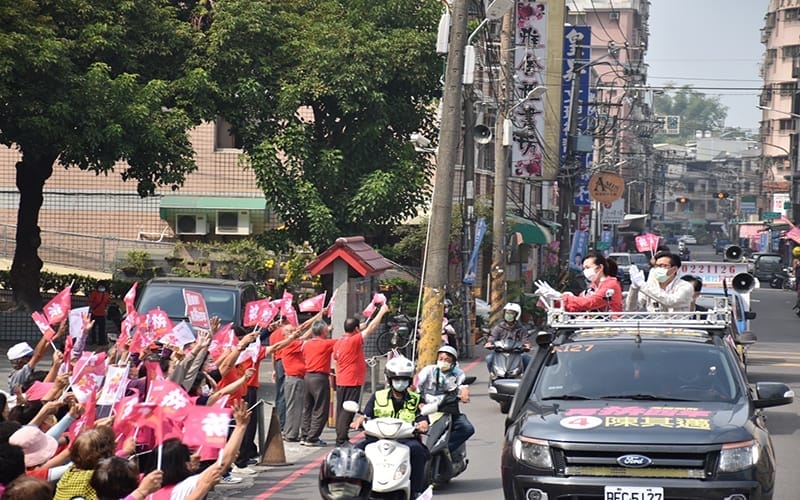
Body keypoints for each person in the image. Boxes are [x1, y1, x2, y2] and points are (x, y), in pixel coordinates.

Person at [351, 356, 429, 499]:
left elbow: (422, 416)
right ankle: (357, 489)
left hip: (405, 439)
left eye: (404, 379)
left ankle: (416, 491)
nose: (400, 382)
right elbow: (366, 414)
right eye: (396, 379)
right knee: (356, 452)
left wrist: (423, 423)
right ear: (389, 379)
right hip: (377, 438)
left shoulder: (416, 399)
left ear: (409, 380)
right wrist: (359, 421)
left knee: (418, 451)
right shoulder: (378, 396)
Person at [333, 303, 389, 446]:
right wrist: (381, 313)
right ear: (356, 329)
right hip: (352, 380)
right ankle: (342, 439)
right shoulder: (354, 341)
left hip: (342, 380)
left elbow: (363, 329)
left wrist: (361, 327)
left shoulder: (340, 341)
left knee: (341, 410)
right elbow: (371, 328)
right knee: (348, 410)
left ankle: (341, 436)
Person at [415, 345, 474, 454]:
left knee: (467, 428)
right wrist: (417, 398)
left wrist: (465, 395)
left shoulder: (457, 373)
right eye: (441, 359)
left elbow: (463, 386)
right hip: (426, 408)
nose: (443, 362)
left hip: (447, 408)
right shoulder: (429, 370)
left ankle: (446, 449)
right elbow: (417, 384)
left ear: (453, 362)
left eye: (447, 360)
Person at [535, 253, 622, 313]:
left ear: (599, 268)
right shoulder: (593, 287)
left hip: (609, 329)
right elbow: (577, 306)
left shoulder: (610, 285)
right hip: (592, 327)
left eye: (588, 267)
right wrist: (555, 302)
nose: (585, 271)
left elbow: (589, 303)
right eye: (584, 268)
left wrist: (561, 297)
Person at [300, 320, 338, 447]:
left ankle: (305, 434)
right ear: (323, 331)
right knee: (321, 408)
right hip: (320, 378)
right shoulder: (326, 344)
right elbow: (344, 340)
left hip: (307, 376)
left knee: (307, 407)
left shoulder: (306, 344)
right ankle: (313, 437)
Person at [626, 251, 694, 312]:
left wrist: (643, 285)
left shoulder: (686, 286)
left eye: (663, 266)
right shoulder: (650, 286)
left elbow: (670, 302)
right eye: (657, 266)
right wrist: (634, 288)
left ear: (674, 269)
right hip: (655, 325)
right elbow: (631, 308)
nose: (659, 269)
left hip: (678, 325)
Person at [484, 303, 531, 371]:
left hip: (516, 354)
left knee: (527, 359)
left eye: (511, 313)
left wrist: (527, 345)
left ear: (516, 315)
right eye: (507, 313)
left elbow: (525, 340)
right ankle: (492, 374)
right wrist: (489, 343)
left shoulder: (521, 329)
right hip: (500, 354)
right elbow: (492, 338)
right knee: (489, 359)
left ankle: (526, 379)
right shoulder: (498, 328)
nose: (508, 315)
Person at [88, 282, 111, 346]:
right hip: (95, 313)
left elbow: (107, 302)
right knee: (93, 329)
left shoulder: (105, 294)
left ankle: (101, 341)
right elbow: (90, 301)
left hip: (101, 314)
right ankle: (94, 341)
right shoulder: (95, 293)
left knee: (101, 329)